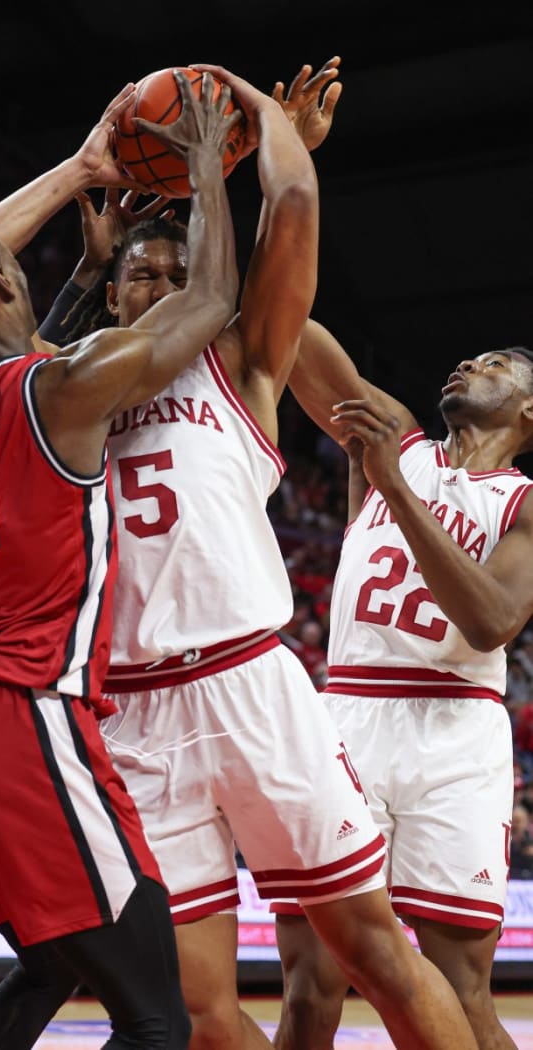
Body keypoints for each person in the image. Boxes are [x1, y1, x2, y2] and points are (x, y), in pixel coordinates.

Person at [39, 59, 479, 1050]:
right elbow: (1, 335)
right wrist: (82, 251)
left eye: (173, 271)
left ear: (202, 284)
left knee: (369, 949)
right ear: (110, 297)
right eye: (135, 275)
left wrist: (241, 124)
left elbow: (292, 201)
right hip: (137, 711)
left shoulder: (240, 360)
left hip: (249, 684)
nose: (155, 286)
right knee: (193, 1010)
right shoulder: (68, 397)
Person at [0, 73, 241, 1050]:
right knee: (156, 1016)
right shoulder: (63, 387)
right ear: (1, 278)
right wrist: (207, 175)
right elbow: (208, 298)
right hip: (17, 715)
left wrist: (80, 177)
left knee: (44, 971)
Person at [269, 333, 533, 1048]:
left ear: (530, 413)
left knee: (462, 993)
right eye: (470, 359)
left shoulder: (522, 503)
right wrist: (246, 234)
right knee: (310, 987)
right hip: (349, 717)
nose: (470, 365)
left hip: (456, 732)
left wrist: (390, 488)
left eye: (496, 366)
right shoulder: (397, 441)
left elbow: (490, 623)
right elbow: (290, 334)